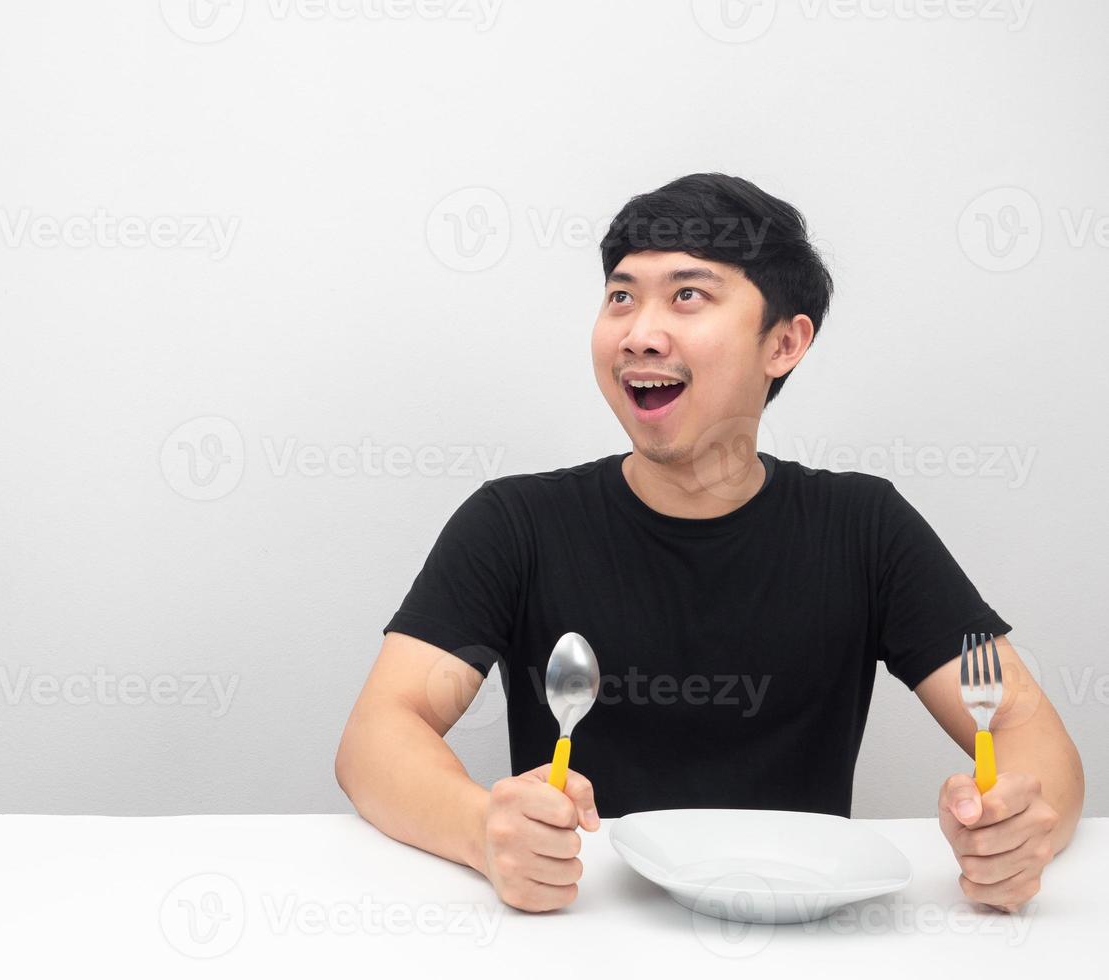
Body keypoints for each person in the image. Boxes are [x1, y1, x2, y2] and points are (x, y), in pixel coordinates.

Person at [334, 173, 1084, 914]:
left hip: (801, 933)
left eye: (687, 295)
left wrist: (1015, 831)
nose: (638, 332)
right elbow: (378, 734)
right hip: (581, 925)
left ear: (783, 344)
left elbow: (1020, 726)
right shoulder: (515, 522)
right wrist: (481, 830)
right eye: (621, 296)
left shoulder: (863, 526)